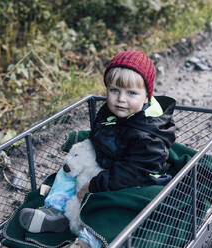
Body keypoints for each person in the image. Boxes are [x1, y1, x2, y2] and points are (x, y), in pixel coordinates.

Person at [18, 50, 176, 248]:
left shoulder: (148, 135)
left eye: (131, 93)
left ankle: (88, 240)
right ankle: (55, 210)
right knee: (70, 168)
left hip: (136, 178)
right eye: (114, 90)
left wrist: (94, 184)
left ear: (147, 97)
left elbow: (135, 171)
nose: (121, 99)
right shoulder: (111, 112)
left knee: (114, 206)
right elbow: (100, 136)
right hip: (110, 162)